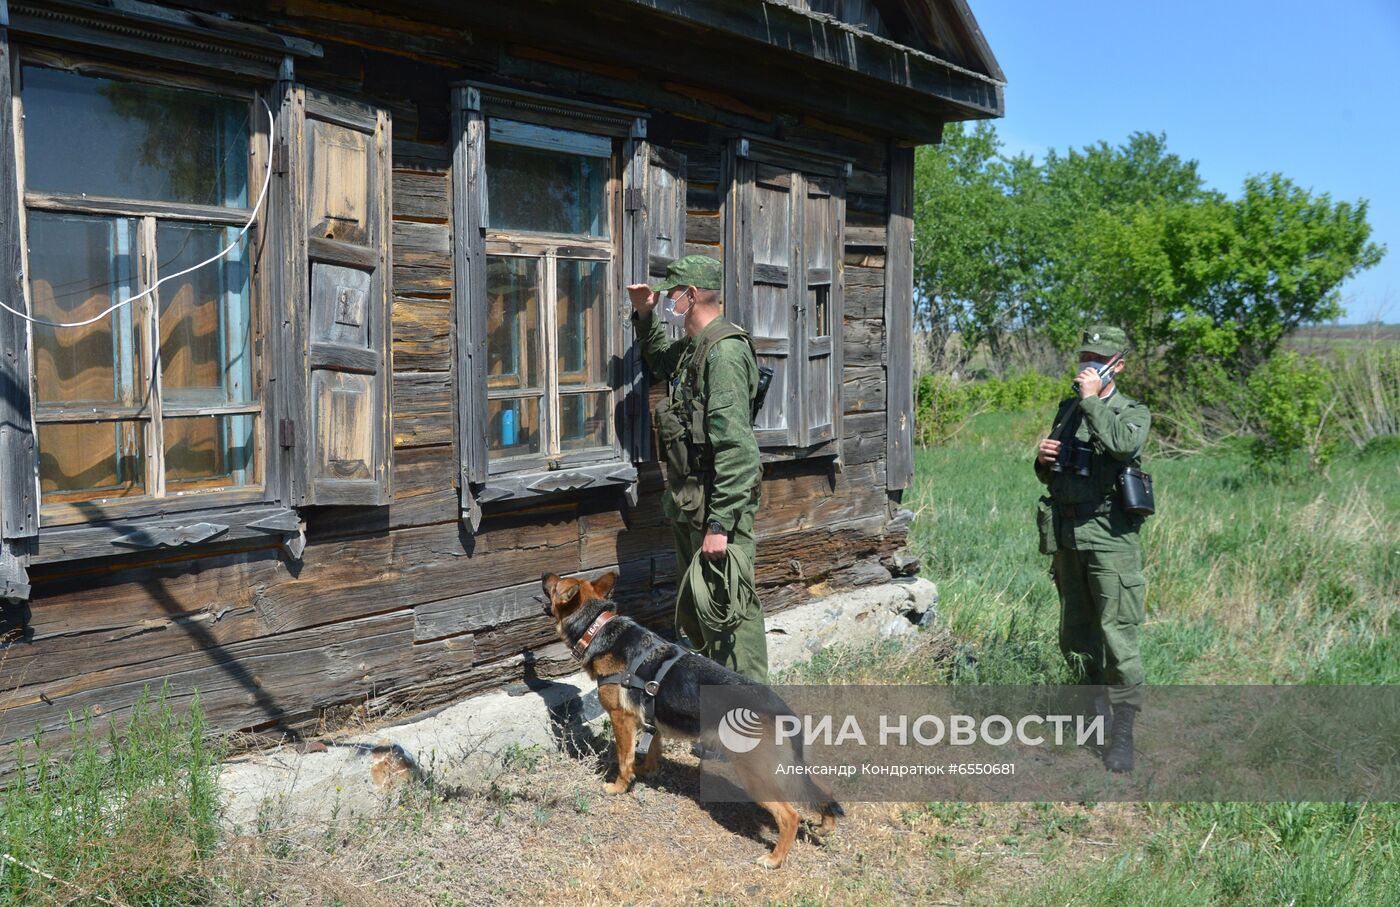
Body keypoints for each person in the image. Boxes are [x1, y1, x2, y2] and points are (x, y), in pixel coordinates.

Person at [626, 255, 768, 683]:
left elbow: (738, 451)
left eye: (672, 295)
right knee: (702, 615)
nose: (670, 302)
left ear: (690, 296)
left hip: (716, 510)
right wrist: (646, 312)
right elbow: (658, 360)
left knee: (730, 619)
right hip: (693, 504)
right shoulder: (695, 347)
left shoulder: (723, 354)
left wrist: (720, 524)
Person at [1034, 325, 1151, 772]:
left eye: (1097, 358)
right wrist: (1044, 461)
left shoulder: (1130, 411)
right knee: (1077, 634)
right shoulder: (1069, 409)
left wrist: (1092, 400)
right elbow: (1057, 472)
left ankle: (1122, 730)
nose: (1087, 364)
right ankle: (1092, 716)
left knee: (1117, 634)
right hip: (1068, 535)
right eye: (1084, 355)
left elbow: (1122, 446)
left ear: (1115, 365)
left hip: (1110, 538)